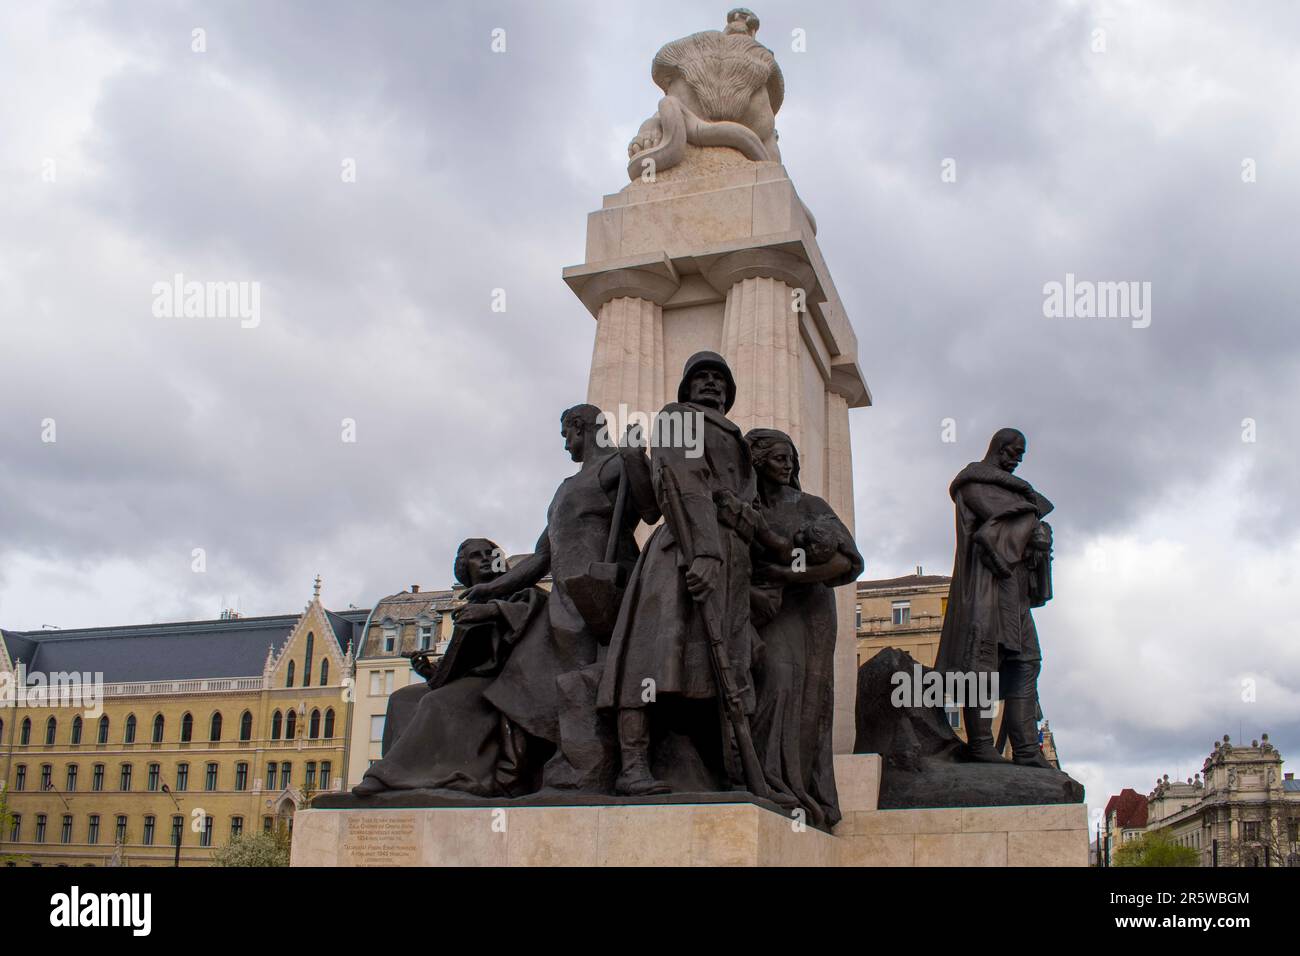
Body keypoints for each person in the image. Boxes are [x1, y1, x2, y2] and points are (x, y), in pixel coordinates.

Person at [459, 403, 659, 789]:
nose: (566, 444)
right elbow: (541, 558)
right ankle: (559, 768)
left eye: (567, 434)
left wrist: (636, 458)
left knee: (612, 679)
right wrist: (492, 587)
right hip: (565, 600)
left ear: (580, 428)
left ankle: (629, 768)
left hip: (607, 589)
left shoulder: (615, 465)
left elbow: (651, 510)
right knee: (559, 685)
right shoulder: (564, 490)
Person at [597, 352, 762, 796]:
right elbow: (680, 486)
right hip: (683, 550)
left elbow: (749, 507)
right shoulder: (677, 417)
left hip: (729, 557)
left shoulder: (737, 438)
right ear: (686, 387)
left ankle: (731, 771)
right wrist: (705, 551)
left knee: (725, 666)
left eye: (719, 379)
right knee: (650, 657)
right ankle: (632, 766)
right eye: (701, 377)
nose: (711, 384)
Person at [351, 538, 548, 796]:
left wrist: (494, 611)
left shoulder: (521, 593)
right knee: (402, 699)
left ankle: (391, 777)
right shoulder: (470, 606)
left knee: (437, 702)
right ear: (466, 570)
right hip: (469, 680)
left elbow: (539, 612)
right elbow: (461, 661)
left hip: (506, 681)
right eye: (478, 556)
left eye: (492, 554)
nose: (487, 559)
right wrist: (431, 672)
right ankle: (402, 782)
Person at [744, 428, 862, 827]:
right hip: (762, 611)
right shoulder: (747, 506)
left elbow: (845, 563)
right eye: (779, 458)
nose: (788, 464)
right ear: (757, 462)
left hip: (808, 612)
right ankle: (764, 779)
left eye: (791, 458)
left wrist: (785, 574)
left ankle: (800, 790)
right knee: (773, 682)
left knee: (809, 696)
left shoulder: (810, 505)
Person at [933, 428, 1055, 769]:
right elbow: (999, 526)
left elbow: (1023, 527)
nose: (1016, 460)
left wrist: (1039, 541)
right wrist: (1034, 525)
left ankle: (1027, 749)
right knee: (980, 665)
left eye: (1021, 455)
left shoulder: (1018, 495)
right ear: (998, 448)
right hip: (984, 587)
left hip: (1014, 592)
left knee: (1027, 661)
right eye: (1013, 452)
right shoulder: (974, 484)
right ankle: (981, 744)